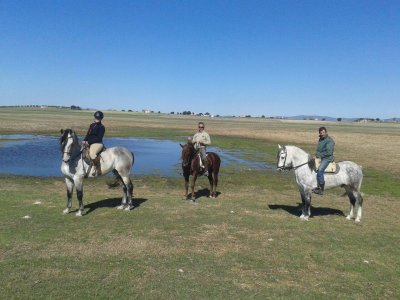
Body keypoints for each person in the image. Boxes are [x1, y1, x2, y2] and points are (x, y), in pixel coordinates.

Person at [312, 126, 335, 195]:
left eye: (323, 132)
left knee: (320, 171)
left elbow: (329, 152)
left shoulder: (329, 140)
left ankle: (321, 189)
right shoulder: (321, 139)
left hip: (327, 158)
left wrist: (317, 156)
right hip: (321, 157)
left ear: (326, 132)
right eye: (321, 133)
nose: (322, 134)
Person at [82, 111, 105, 176]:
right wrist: (84, 140)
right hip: (88, 142)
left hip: (97, 143)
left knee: (92, 154)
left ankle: (98, 168)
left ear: (101, 118)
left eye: (98, 118)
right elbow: (88, 134)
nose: (97, 119)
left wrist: (88, 142)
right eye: (96, 117)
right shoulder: (91, 125)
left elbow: (99, 138)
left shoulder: (102, 127)